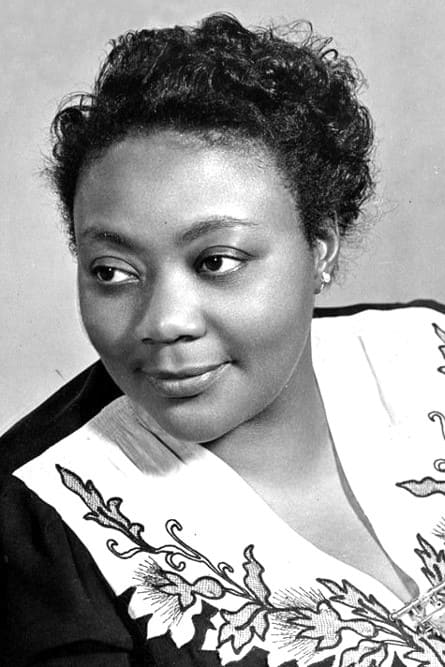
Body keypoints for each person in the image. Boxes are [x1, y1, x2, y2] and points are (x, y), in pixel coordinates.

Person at [1, 12, 445, 666]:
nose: (162, 322)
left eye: (215, 261)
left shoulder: (426, 350)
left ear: (320, 246)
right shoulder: (39, 525)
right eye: (112, 272)